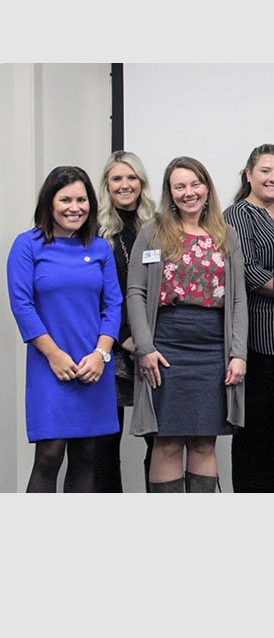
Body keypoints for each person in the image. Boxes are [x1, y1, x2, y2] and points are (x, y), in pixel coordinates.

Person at [127, 157, 247, 493]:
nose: (188, 192)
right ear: (170, 192)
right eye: (180, 186)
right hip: (165, 349)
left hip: (213, 351)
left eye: (195, 184)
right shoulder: (153, 232)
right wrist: (145, 348)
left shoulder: (227, 235)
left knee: (204, 443)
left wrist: (239, 353)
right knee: (166, 442)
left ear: (207, 188)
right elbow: (135, 292)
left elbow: (238, 300)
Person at [7, 166, 122, 492]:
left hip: (94, 366)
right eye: (66, 199)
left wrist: (101, 354)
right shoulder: (27, 245)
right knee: (49, 454)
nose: (75, 207)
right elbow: (22, 306)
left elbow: (113, 305)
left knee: (87, 453)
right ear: (49, 202)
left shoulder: (100, 248)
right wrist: (54, 355)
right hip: (49, 364)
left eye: (82, 199)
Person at [223, 143, 274, 492]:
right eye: (265, 171)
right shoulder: (239, 214)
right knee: (255, 433)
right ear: (249, 174)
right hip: (258, 339)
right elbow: (248, 271)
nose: (273, 178)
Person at [93, 151, 157, 492]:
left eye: (131, 178)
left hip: (152, 346)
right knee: (106, 442)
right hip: (113, 347)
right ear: (107, 184)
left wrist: (145, 339)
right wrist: (123, 336)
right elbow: (96, 294)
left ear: (142, 183)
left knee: (158, 441)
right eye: (117, 178)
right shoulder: (95, 231)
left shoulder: (159, 227)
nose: (125, 185)